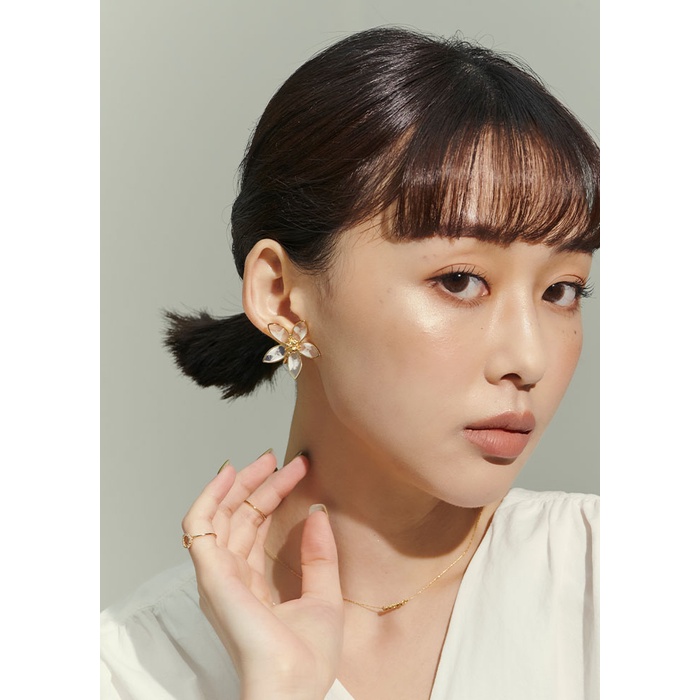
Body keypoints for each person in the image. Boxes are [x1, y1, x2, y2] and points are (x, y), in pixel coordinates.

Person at [100, 26, 599, 700]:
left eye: (561, 291)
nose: (528, 359)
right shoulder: (128, 672)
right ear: (282, 296)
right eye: (459, 281)